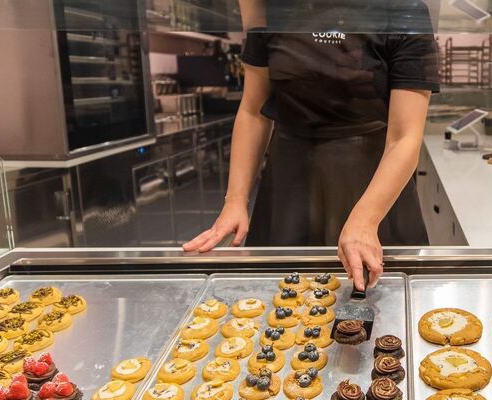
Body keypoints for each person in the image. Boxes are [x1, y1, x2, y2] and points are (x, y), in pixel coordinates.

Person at [182, 0, 439, 291]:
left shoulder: (402, 7)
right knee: (281, 305)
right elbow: (253, 111)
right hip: (289, 179)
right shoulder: (266, 5)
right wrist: (235, 202)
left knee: (376, 308)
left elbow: (404, 137)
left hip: (372, 179)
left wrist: (366, 220)